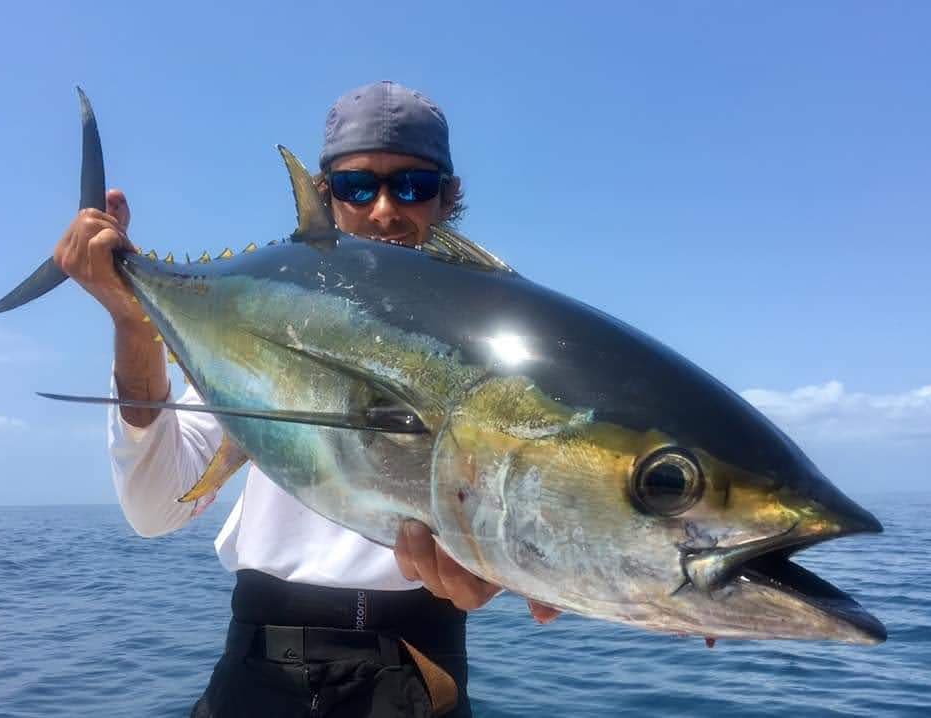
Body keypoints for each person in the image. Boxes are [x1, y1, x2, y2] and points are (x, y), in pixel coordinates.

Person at [53, 80, 559, 718]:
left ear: (446, 197)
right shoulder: (268, 321)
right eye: (355, 186)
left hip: (418, 674)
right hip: (254, 673)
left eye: (411, 185)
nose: (382, 210)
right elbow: (155, 509)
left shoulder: (496, 337)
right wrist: (132, 323)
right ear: (324, 195)